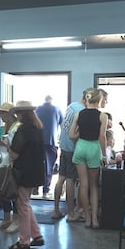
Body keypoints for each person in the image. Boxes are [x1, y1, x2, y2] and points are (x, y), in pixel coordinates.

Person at [7, 100, 45, 249]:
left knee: (22, 206)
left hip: (23, 172)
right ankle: (37, 235)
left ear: (22, 114)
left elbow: (15, 154)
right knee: (25, 204)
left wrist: (7, 146)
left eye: (17, 113)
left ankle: (24, 241)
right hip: (36, 171)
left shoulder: (22, 131)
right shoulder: (38, 129)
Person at [69, 88, 108, 229]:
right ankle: (94, 220)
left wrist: (82, 133)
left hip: (80, 147)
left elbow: (71, 135)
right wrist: (104, 155)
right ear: (99, 100)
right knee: (94, 186)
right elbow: (102, 137)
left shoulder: (78, 114)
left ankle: (86, 218)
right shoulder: (103, 116)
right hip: (93, 148)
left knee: (83, 185)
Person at [53, 90, 87, 221]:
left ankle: (56, 210)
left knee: (61, 178)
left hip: (63, 145)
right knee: (70, 180)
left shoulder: (72, 105)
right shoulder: (82, 111)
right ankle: (71, 213)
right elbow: (76, 131)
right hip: (72, 147)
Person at [0, 102, 20, 233]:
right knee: (2, 190)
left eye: (3, 114)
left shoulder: (17, 127)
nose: (2, 116)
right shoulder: (2, 128)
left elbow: (16, 146)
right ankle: (7, 218)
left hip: (14, 163)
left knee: (14, 191)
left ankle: (16, 220)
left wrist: (6, 144)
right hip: (4, 162)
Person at [35, 95, 62, 196]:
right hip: (51, 141)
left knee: (38, 165)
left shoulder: (38, 109)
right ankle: (45, 190)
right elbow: (62, 124)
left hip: (38, 141)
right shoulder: (57, 109)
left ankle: (35, 187)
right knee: (49, 166)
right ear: (51, 100)